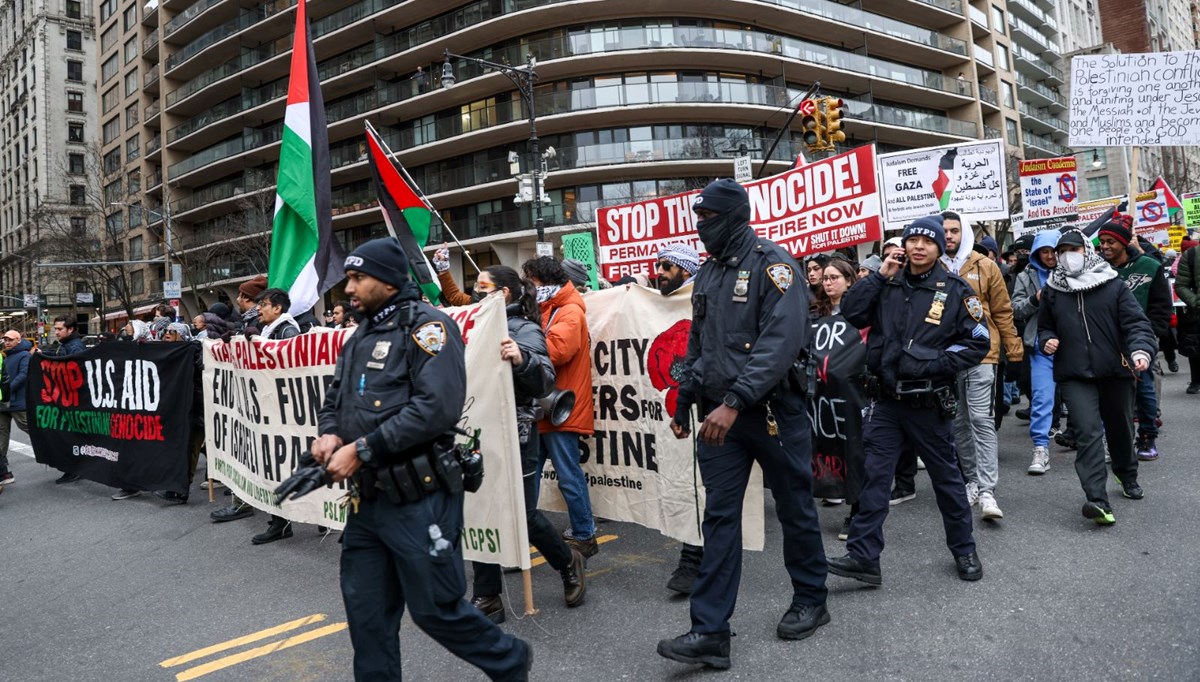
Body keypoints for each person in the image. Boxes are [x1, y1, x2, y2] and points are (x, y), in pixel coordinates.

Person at [313, 237, 531, 680]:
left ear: (389, 282)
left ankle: (508, 660)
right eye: (348, 278)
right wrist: (329, 433)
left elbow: (436, 409)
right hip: (368, 503)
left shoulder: (428, 328)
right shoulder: (362, 334)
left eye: (358, 278)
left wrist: (363, 448)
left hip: (420, 498)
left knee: (437, 610)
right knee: (368, 618)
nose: (348, 289)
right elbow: (335, 396)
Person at [657, 179, 828, 671]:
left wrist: (733, 401)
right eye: (699, 218)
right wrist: (686, 396)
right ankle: (710, 631)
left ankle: (812, 599)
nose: (700, 226)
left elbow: (780, 342)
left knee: (794, 506)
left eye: (708, 218)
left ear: (732, 217)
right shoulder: (708, 273)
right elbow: (700, 343)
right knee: (719, 519)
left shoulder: (775, 266)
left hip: (770, 411)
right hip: (717, 417)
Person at [830, 214, 987, 587]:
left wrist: (933, 363)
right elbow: (851, 313)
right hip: (885, 403)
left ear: (939, 247)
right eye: (912, 240)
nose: (918, 246)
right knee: (874, 479)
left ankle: (964, 549)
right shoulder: (887, 282)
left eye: (927, 241)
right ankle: (864, 557)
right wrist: (882, 275)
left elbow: (978, 342)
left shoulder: (954, 289)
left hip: (928, 405)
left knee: (947, 481)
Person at [467, 266, 587, 622]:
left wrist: (521, 359)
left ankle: (569, 562)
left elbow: (544, 380)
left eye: (482, 287)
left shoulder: (523, 329)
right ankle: (487, 596)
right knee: (479, 507)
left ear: (504, 293)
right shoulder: (471, 326)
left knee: (522, 512)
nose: (475, 292)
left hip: (515, 432)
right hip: (475, 431)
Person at [1037, 229, 1156, 525]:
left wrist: (1141, 350)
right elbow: (1044, 328)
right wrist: (1047, 340)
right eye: (1062, 250)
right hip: (1074, 373)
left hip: (1116, 370)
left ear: (1087, 252)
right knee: (1088, 434)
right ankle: (1097, 500)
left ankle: (1126, 475)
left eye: (1074, 249)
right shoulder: (1053, 290)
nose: (1067, 256)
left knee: (1120, 428)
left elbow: (1136, 323)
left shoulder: (1112, 284)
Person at [940, 212, 1022, 520]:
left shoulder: (985, 266)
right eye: (943, 231)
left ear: (964, 234)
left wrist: (1014, 352)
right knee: (958, 420)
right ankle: (971, 480)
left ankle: (988, 490)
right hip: (946, 358)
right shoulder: (931, 267)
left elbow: (1002, 312)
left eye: (953, 230)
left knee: (980, 418)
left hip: (982, 355)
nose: (948, 236)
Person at [522, 256, 599, 559]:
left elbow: (556, 352)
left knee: (567, 474)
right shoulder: (546, 309)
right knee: (530, 475)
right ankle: (528, 532)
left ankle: (584, 533)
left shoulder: (569, 310)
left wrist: (523, 342)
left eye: (530, 280)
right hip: (542, 408)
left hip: (560, 408)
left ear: (544, 282)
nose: (526, 286)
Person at [649, 243, 705, 596]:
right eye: (656, 266)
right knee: (693, 484)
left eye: (666, 266)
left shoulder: (706, 298)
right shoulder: (658, 303)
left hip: (722, 403)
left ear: (686, 271)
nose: (659, 273)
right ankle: (693, 560)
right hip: (684, 405)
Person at [1096, 220, 1171, 461]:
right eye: (1102, 242)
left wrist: (1152, 334)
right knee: (1111, 394)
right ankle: (1117, 440)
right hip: (1109, 342)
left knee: (1144, 388)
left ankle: (1147, 436)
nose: (1105, 247)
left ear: (1124, 242)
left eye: (1110, 242)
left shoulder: (1149, 267)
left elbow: (1161, 305)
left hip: (1141, 338)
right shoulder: (1098, 270)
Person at [812, 260, 868, 541]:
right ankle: (830, 491)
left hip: (851, 395)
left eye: (834, 277)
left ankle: (857, 510)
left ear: (849, 280)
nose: (828, 283)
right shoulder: (815, 313)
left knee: (854, 450)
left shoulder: (860, 313)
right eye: (825, 278)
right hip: (821, 398)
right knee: (826, 447)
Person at [210, 274, 269, 523]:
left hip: (262, 397)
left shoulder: (270, 324)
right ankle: (244, 499)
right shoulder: (249, 322)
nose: (237, 300)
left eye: (242, 296)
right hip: (250, 396)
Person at [250, 288, 302, 544]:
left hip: (284, 412)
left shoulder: (287, 331)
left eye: (264, 304)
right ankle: (280, 521)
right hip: (272, 409)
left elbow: (291, 365)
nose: (259, 309)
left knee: (280, 466)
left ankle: (282, 522)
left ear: (278, 309)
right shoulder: (269, 331)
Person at [1010, 230, 1060, 475]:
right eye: (1045, 251)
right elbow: (1016, 310)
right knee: (1041, 399)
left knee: (1090, 398)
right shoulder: (1025, 276)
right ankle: (1040, 448)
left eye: (1054, 250)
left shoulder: (1076, 269)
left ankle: (1101, 441)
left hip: (1074, 346)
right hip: (1040, 346)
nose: (1050, 256)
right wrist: (1035, 298)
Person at [152, 323, 203, 505]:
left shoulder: (195, 353)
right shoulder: (169, 352)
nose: (167, 335)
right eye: (166, 331)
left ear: (181, 335)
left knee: (190, 449)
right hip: (178, 410)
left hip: (196, 410)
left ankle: (180, 490)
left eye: (172, 332)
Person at [40, 316, 87, 484]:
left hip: (72, 400)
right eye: (56, 329)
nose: (56, 332)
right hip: (67, 399)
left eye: (60, 329)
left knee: (70, 435)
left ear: (71, 329)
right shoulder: (66, 345)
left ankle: (75, 469)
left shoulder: (75, 347)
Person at [0, 330, 32, 486]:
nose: (7, 342)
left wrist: (7, 390)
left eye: (10, 340)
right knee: (1, 432)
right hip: (4, 402)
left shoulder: (24, 355)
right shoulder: (6, 356)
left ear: (19, 340)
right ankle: (2, 467)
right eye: (5, 339)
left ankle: (54, 447)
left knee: (31, 428)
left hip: (17, 401)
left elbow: (24, 374)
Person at [1173, 235, 1200, 393]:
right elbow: (1181, 285)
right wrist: (1195, 301)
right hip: (1196, 313)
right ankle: (1196, 381)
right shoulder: (1191, 255)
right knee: (1195, 348)